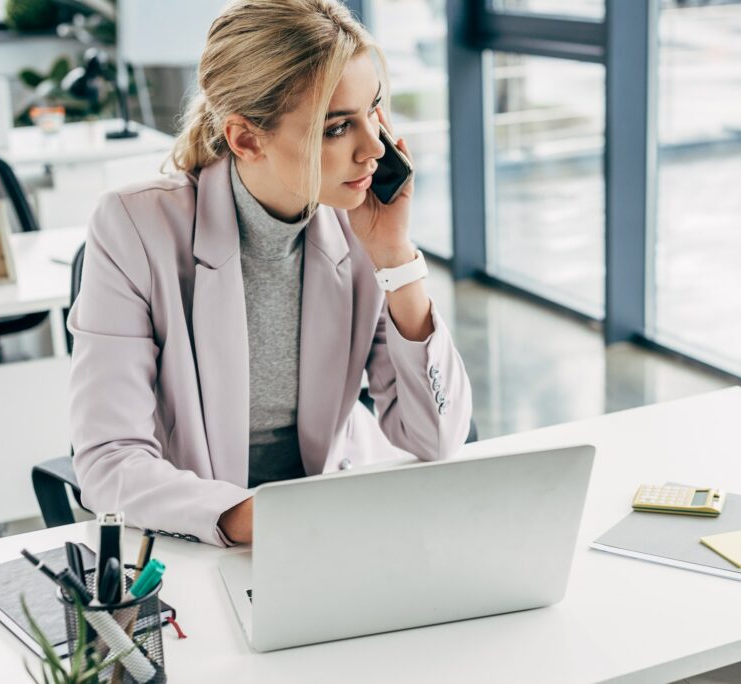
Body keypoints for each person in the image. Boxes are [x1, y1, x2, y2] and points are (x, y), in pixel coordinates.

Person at [67, 0, 473, 547]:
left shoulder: (359, 223)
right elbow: (109, 460)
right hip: (199, 534)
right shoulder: (134, 227)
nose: (375, 147)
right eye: (337, 128)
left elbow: (437, 438)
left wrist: (396, 258)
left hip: (340, 520)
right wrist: (254, 518)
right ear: (246, 139)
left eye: (373, 111)